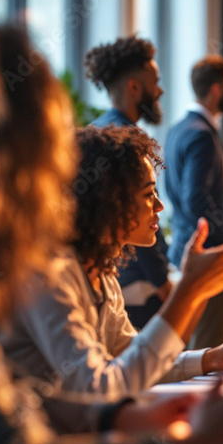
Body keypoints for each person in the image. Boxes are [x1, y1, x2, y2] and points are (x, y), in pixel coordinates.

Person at [0, 22, 223, 444]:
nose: (46, 200)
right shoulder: (45, 273)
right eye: (39, 173)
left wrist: (201, 362)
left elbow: (40, 402)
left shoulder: (98, 272)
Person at [0, 124, 223, 411]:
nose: (159, 206)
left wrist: (212, 359)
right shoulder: (49, 274)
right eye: (147, 194)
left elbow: (131, 360)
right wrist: (189, 292)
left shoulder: (102, 273)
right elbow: (101, 390)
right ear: (109, 202)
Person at [84, 36, 170, 329]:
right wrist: (163, 283)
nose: (160, 90)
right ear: (134, 86)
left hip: (118, 277)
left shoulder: (98, 132)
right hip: (135, 283)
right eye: (155, 81)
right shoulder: (122, 146)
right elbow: (133, 213)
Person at [165, 56, 223, 348]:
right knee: (206, 346)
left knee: (188, 343)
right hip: (208, 252)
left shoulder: (178, 129)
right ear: (217, 89)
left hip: (184, 245)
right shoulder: (202, 135)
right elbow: (196, 200)